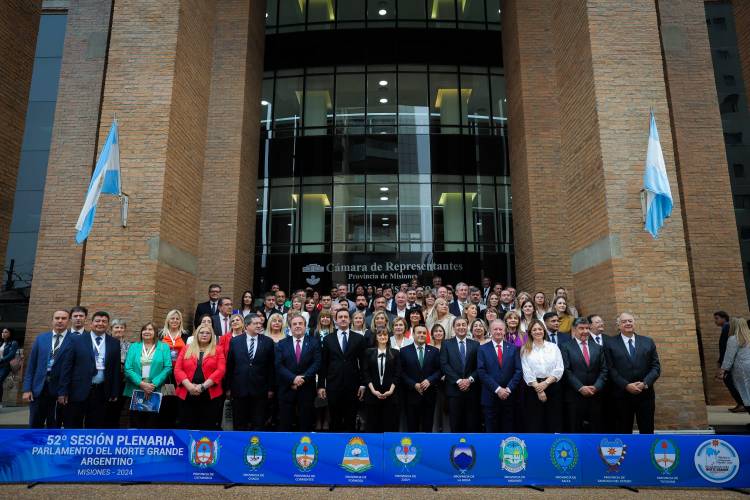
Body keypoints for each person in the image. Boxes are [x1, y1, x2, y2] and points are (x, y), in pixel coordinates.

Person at [57, 311, 121, 428]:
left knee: (95, 425)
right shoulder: (77, 340)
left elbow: (116, 369)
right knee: (73, 424)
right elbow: (67, 367)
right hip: (77, 390)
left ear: (107, 325)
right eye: (97, 321)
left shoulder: (115, 343)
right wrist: (63, 391)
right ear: (91, 323)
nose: (100, 323)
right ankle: (72, 446)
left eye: (104, 321)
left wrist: (114, 391)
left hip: (101, 391)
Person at [604, 312, 661, 434]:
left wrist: (645, 383)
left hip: (645, 395)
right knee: (623, 431)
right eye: (624, 321)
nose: (628, 323)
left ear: (634, 323)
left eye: (630, 321)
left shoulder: (648, 342)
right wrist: (626, 385)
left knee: (647, 430)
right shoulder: (610, 343)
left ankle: (645, 453)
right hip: (621, 395)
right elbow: (610, 368)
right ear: (618, 325)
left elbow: (656, 367)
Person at [318, 309, 367, 432]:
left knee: (351, 418)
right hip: (333, 384)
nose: (343, 319)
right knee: (335, 419)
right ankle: (336, 447)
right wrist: (321, 386)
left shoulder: (359, 338)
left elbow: (363, 363)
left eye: (346, 316)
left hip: (353, 385)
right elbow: (323, 364)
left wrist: (362, 384)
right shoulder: (328, 339)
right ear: (336, 320)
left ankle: (350, 448)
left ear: (350, 320)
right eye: (340, 317)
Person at [23, 310, 73, 428]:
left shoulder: (74, 340)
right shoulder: (41, 338)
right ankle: (34, 446)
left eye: (63, 318)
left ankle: (51, 447)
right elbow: (31, 365)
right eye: (57, 318)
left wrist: (65, 391)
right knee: (35, 423)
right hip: (38, 388)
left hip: (60, 391)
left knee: (54, 424)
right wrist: (26, 389)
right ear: (52, 320)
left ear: (69, 321)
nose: (60, 321)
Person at [225, 315, 275, 431]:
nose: (259, 325)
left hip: (260, 390)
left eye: (260, 323)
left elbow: (271, 367)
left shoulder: (268, 342)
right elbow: (230, 366)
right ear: (247, 326)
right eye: (255, 323)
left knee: (258, 423)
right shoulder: (235, 341)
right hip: (239, 389)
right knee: (239, 423)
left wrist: (271, 388)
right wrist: (228, 387)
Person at [560, 317, 608, 433]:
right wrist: (580, 387)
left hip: (595, 395)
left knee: (595, 430)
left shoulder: (597, 347)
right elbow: (566, 370)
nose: (585, 331)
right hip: (574, 396)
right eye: (581, 328)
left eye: (587, 328)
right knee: (575, 430)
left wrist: (596, 386)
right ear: (574, 330)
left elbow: (604, 370)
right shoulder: (565, 347)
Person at [175, 324, 226, 430]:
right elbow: (177, 369)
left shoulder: (218, 349)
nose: (204, 335)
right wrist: (189, 386)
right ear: (196, 334)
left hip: (210, 395)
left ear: (212, 336)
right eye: (202, 332)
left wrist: (203, 386)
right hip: (187, 394)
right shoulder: (186, 348)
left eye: (208, 333)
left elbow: (221, 370)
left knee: (207, 428)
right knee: (186, 426)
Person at [123, 322, 172, 428]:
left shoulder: (164, 347)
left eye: (150, 329)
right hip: (136, 388)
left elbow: (168, 367)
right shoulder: (134, 347)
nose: (147, 332)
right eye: (144, 329)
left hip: (155, 390)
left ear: (155, 332)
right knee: (135, 422)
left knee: (152, 423)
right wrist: (141, 384)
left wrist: (153, 384)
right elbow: (128, 368)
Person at [276, 314, 321, 431]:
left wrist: (303, 378)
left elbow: (316, 363)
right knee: (285, 423)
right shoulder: (281, 343)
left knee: (305, 422)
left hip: (306, 388)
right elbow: (278, 365)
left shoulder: (314, 342)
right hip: (287, 388)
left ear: (305, 326)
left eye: (300, 324)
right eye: (294, 324)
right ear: (290, 327)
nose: (297, 326)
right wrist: (293, 379)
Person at [477, 319, 523, 432]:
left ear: (505, 331)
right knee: (491, 431)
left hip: (509, 396)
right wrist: (498, 389)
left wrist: (508, 389)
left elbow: (518, 371)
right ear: (490, 331)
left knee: (507, 430)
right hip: (490, 397)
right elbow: (481, 372)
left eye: (500, 329)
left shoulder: (513, 348)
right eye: (495, 329)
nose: (498, 331)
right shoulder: (482, 349)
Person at [520, 319, 564, 433]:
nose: (537, 331)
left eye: (540, 329)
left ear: (544, 331)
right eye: (534, 329)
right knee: (536, 421)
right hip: (533, 388)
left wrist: (546, 383)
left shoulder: (553, 347)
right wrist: (539, 389)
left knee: (554, 419)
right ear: (530, 332)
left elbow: (559, 368)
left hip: (552, 386)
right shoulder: (525, 349)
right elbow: (526, 371)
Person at [440, 317, 480, 432]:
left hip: (471, 390)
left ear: (467, 327)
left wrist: (469, 380)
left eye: (463, 325)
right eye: (458, 325)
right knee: (455, 424)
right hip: (453, 390)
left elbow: (479, 366)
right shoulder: (446, 344)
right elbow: (444, 365)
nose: (461, 327)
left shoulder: (475, 344)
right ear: (453, 328)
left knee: (472, 425)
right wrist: (458, 381)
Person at [400, 325, 441, 432]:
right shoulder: (404, 351)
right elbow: (401, 372)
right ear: (413, 334)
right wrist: (413, 384)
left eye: (424, 333)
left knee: (427, 427)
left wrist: (429, 380)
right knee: (412, 428)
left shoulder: (434, 351)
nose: (421, 335)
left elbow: (440, 370)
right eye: (419, 332)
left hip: (429, 395)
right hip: (411, 395)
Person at [361, 327, 401, 432]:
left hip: (391, 393)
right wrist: (373, 390)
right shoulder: (368, 352)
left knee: (389, 424)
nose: (383, 337)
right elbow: (366, 372)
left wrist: (391, 390)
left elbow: (397, 373)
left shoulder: (395, 353)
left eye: (385, 335)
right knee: (372, 424)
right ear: (376, 337)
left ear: (388, 337)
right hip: (372, 393)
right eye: (380, 335)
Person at [160, 309, 189, 428]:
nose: (175, 321)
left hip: (181, 374)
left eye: (177, 318)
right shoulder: (161, 335)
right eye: (172, 318)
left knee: (179, 401)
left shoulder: (186, 335)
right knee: (165, 401)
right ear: (168, 320)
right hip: (164, 374)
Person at [719, 317, 750, 417]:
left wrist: (723, 369)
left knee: (744, 393)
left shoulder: (733, 339)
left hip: (741, 369)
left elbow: (729, 357)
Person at [0, 328, 18, 405]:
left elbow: (12, 354)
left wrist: (2, 360)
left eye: (6, 332)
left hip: (5, 366)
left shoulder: (13, 343)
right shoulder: (1, 343)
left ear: (10, 334)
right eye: (2, 332)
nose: (3, 333)